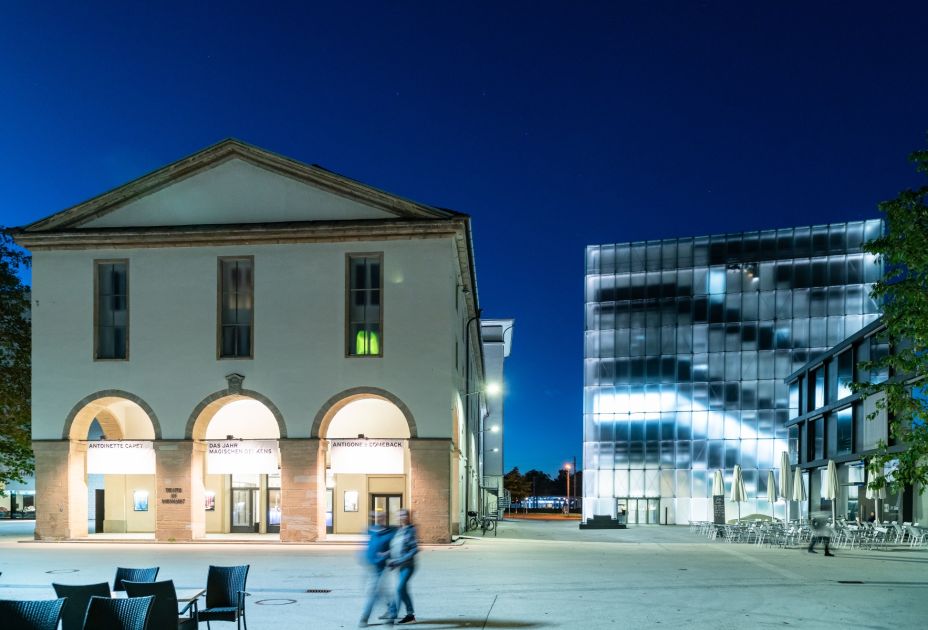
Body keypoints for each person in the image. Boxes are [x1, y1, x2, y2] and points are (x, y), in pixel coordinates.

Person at [359, 511, 396, 627]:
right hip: (370, 566)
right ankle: (392, 610)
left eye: (380, 517)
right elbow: (367, 544)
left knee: (373, 592)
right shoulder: (370, 530)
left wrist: (388, 553)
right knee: (382, 591)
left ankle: (364, 618)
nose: (378, 519)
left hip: (381, 566)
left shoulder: (391, 532)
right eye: (375, 517)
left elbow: (397, 547)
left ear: (385, 518)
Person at [388, 508, 419, 625]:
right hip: (399, 565)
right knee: (403, 590)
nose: (401, 517)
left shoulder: (411, 530)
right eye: (399, 515)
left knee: (399, 589)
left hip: (408, 566)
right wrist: (390, 557)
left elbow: (415, 549)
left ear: (408, 517)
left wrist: (400, 560)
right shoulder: (399, 530)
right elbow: (395, 546)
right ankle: (410, 615)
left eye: (403, 515)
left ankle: (393, 613)